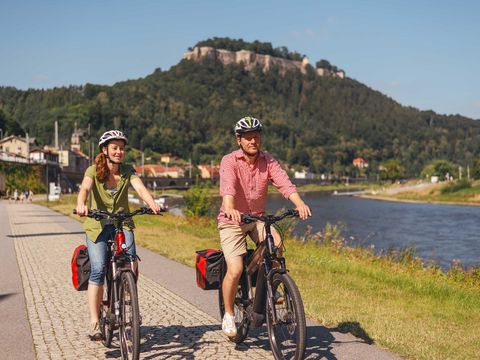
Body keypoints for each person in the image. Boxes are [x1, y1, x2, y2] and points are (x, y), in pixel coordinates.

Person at [217, 116, 311, 337]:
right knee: (236, 269)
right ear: (239, 140)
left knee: (276, 245)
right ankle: (229, 314)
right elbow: (228, 186)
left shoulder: (268, 161)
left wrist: (299, 203)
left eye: (256, 136)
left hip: (257, 218)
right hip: (233, 220)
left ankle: (269, 288)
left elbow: (284, 183)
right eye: (248, 137)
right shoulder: (229, 161)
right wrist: (230, 206)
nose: (253, 141)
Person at [76, 129, 160, 340]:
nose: (119, 152)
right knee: (97, 269)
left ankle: (128, 303)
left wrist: (151, 203)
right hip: (98, 225)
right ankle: (95, 321)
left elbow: (140, 188)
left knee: (131, 265)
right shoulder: (93, 170)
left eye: (122, 148)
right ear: (105, 150)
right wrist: (81, 204)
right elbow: (85, 190)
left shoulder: (128, 171)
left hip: (122, 223)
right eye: (114, 148)